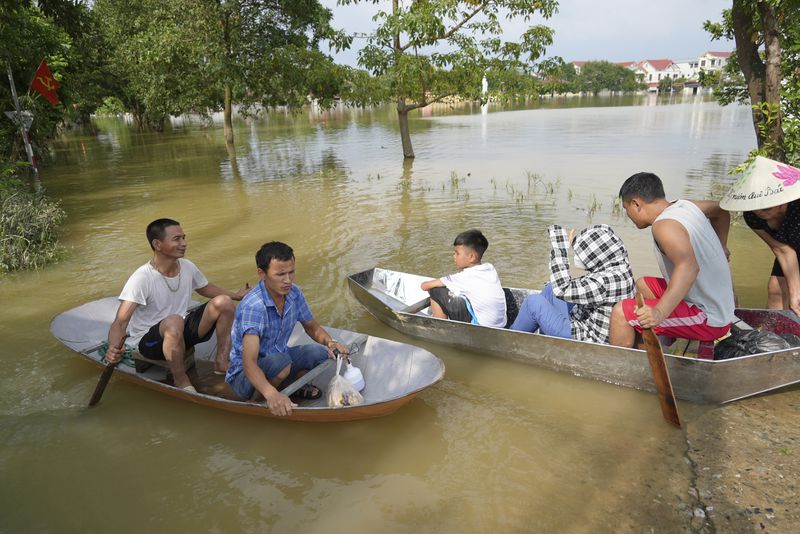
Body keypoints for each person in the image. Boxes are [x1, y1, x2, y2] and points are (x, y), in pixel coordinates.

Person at [105, 218, 249, 391]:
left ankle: (221, 362)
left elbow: (205, 288)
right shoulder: (142, 278)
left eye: (184, 238)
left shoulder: (187, 266)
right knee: (174, 321)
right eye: (177, 239)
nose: (184, 243)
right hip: (149, 342)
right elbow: (120, 322)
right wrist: (113, 348)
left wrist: (236, 295)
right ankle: (181, 380)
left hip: (179, 331)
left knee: (223, 302)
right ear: (157, 244)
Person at [608, 172, 735, 348]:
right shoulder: (686, 206)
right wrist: (721, 246)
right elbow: (721, 210)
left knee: (620, 313)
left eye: (626, 208)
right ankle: (662, 342)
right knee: (643, 284)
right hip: (720, 304)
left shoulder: (664, 225)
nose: (628, 215)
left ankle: (618, 371)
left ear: (636, 203)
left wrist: (660, 312)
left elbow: (689, 267)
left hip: (710, 318)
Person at [226, 241, 350, 417]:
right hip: (245, 377)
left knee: (320, 353)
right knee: (281, 363)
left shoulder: (294, 293)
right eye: (280, 274)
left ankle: (283, 386)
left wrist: (331, 342)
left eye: (291, 272)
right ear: (262, 274)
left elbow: (311, 326)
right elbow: (249, 364)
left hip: (280, 358)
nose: (287, 280)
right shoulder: (254, 306)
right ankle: (258, 400)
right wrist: (271, 394)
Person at [510, 224, 635, 343]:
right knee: (550, 288)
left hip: (586, 337)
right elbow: (565, 287)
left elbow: (562, 289)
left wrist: (561, 249)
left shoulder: (603, 282)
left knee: (533, 302)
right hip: (586, 321)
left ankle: (510, 339)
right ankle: (541, 335)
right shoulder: (620, 266)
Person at [420, 228, 507, 327]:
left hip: (481, 327)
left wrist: (424, 284)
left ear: (471, 257)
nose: (454, 256)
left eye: (457, 253)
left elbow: (425, 286)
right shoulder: (490, 268)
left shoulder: (464, 277)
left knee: (435, 290)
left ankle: (440, 328)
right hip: (501, 324)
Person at [742, 200, 800, 315]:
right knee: (776, 289)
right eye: (755, 206)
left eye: (765, 208)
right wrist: (795, 293)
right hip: (790, 248)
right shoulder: (751, 215)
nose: (759, 211)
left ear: (782, 201)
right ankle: (777, 329)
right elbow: (781, 250)